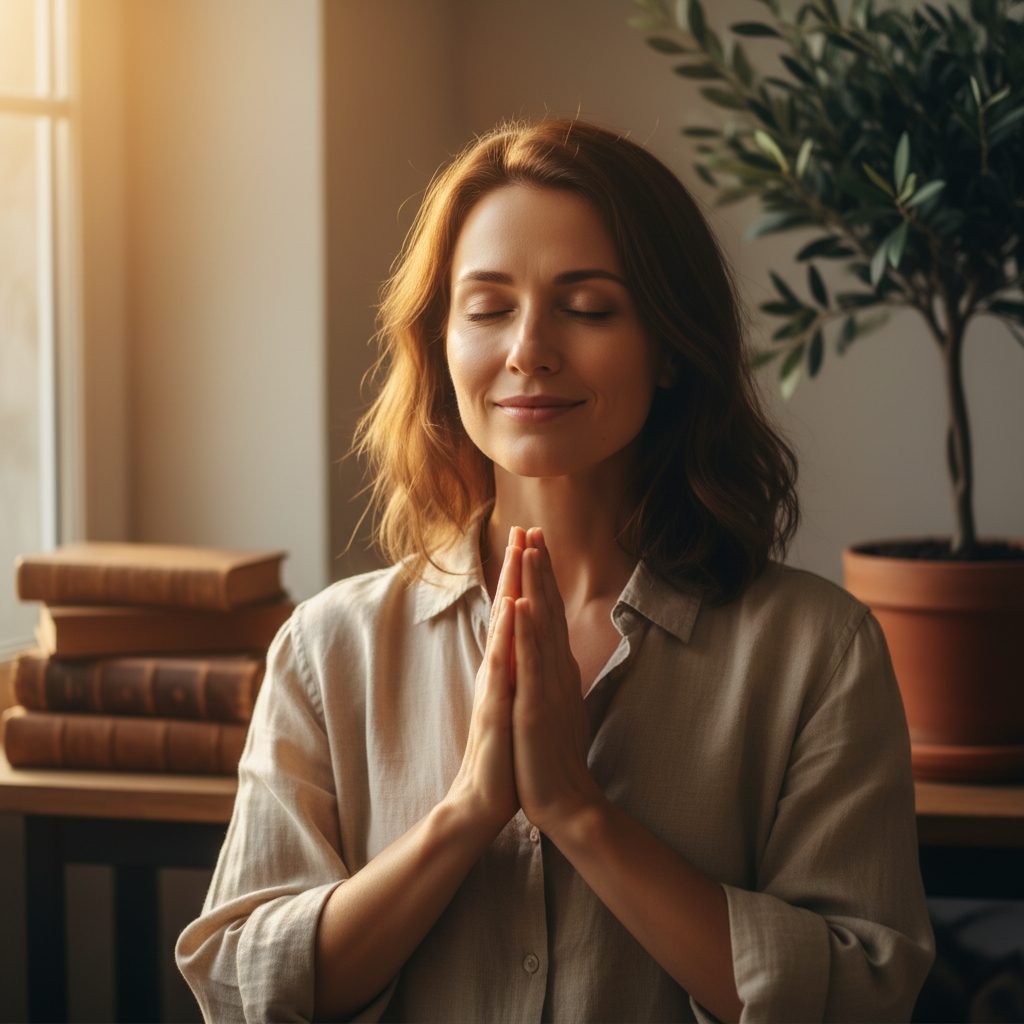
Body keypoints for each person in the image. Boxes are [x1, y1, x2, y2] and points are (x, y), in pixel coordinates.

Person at [176, 118, 934, 1023]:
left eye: (588, 308)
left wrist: (579, 812)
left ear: (672, 350)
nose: (529, 348)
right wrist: (466, 814)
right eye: (489, 307)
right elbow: (244, 988)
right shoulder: (325, 648)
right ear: (441, 345)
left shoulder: (819, 652)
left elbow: (862, 992)